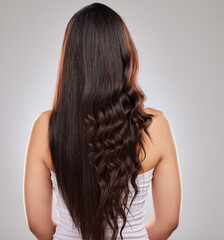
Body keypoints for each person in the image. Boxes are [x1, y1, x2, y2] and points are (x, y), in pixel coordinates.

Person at [23, 2, 182, 240]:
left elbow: (37, 223)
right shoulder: (155, 125)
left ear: (71, 62)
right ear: (124, 55)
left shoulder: (45, 127)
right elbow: (168, 221)